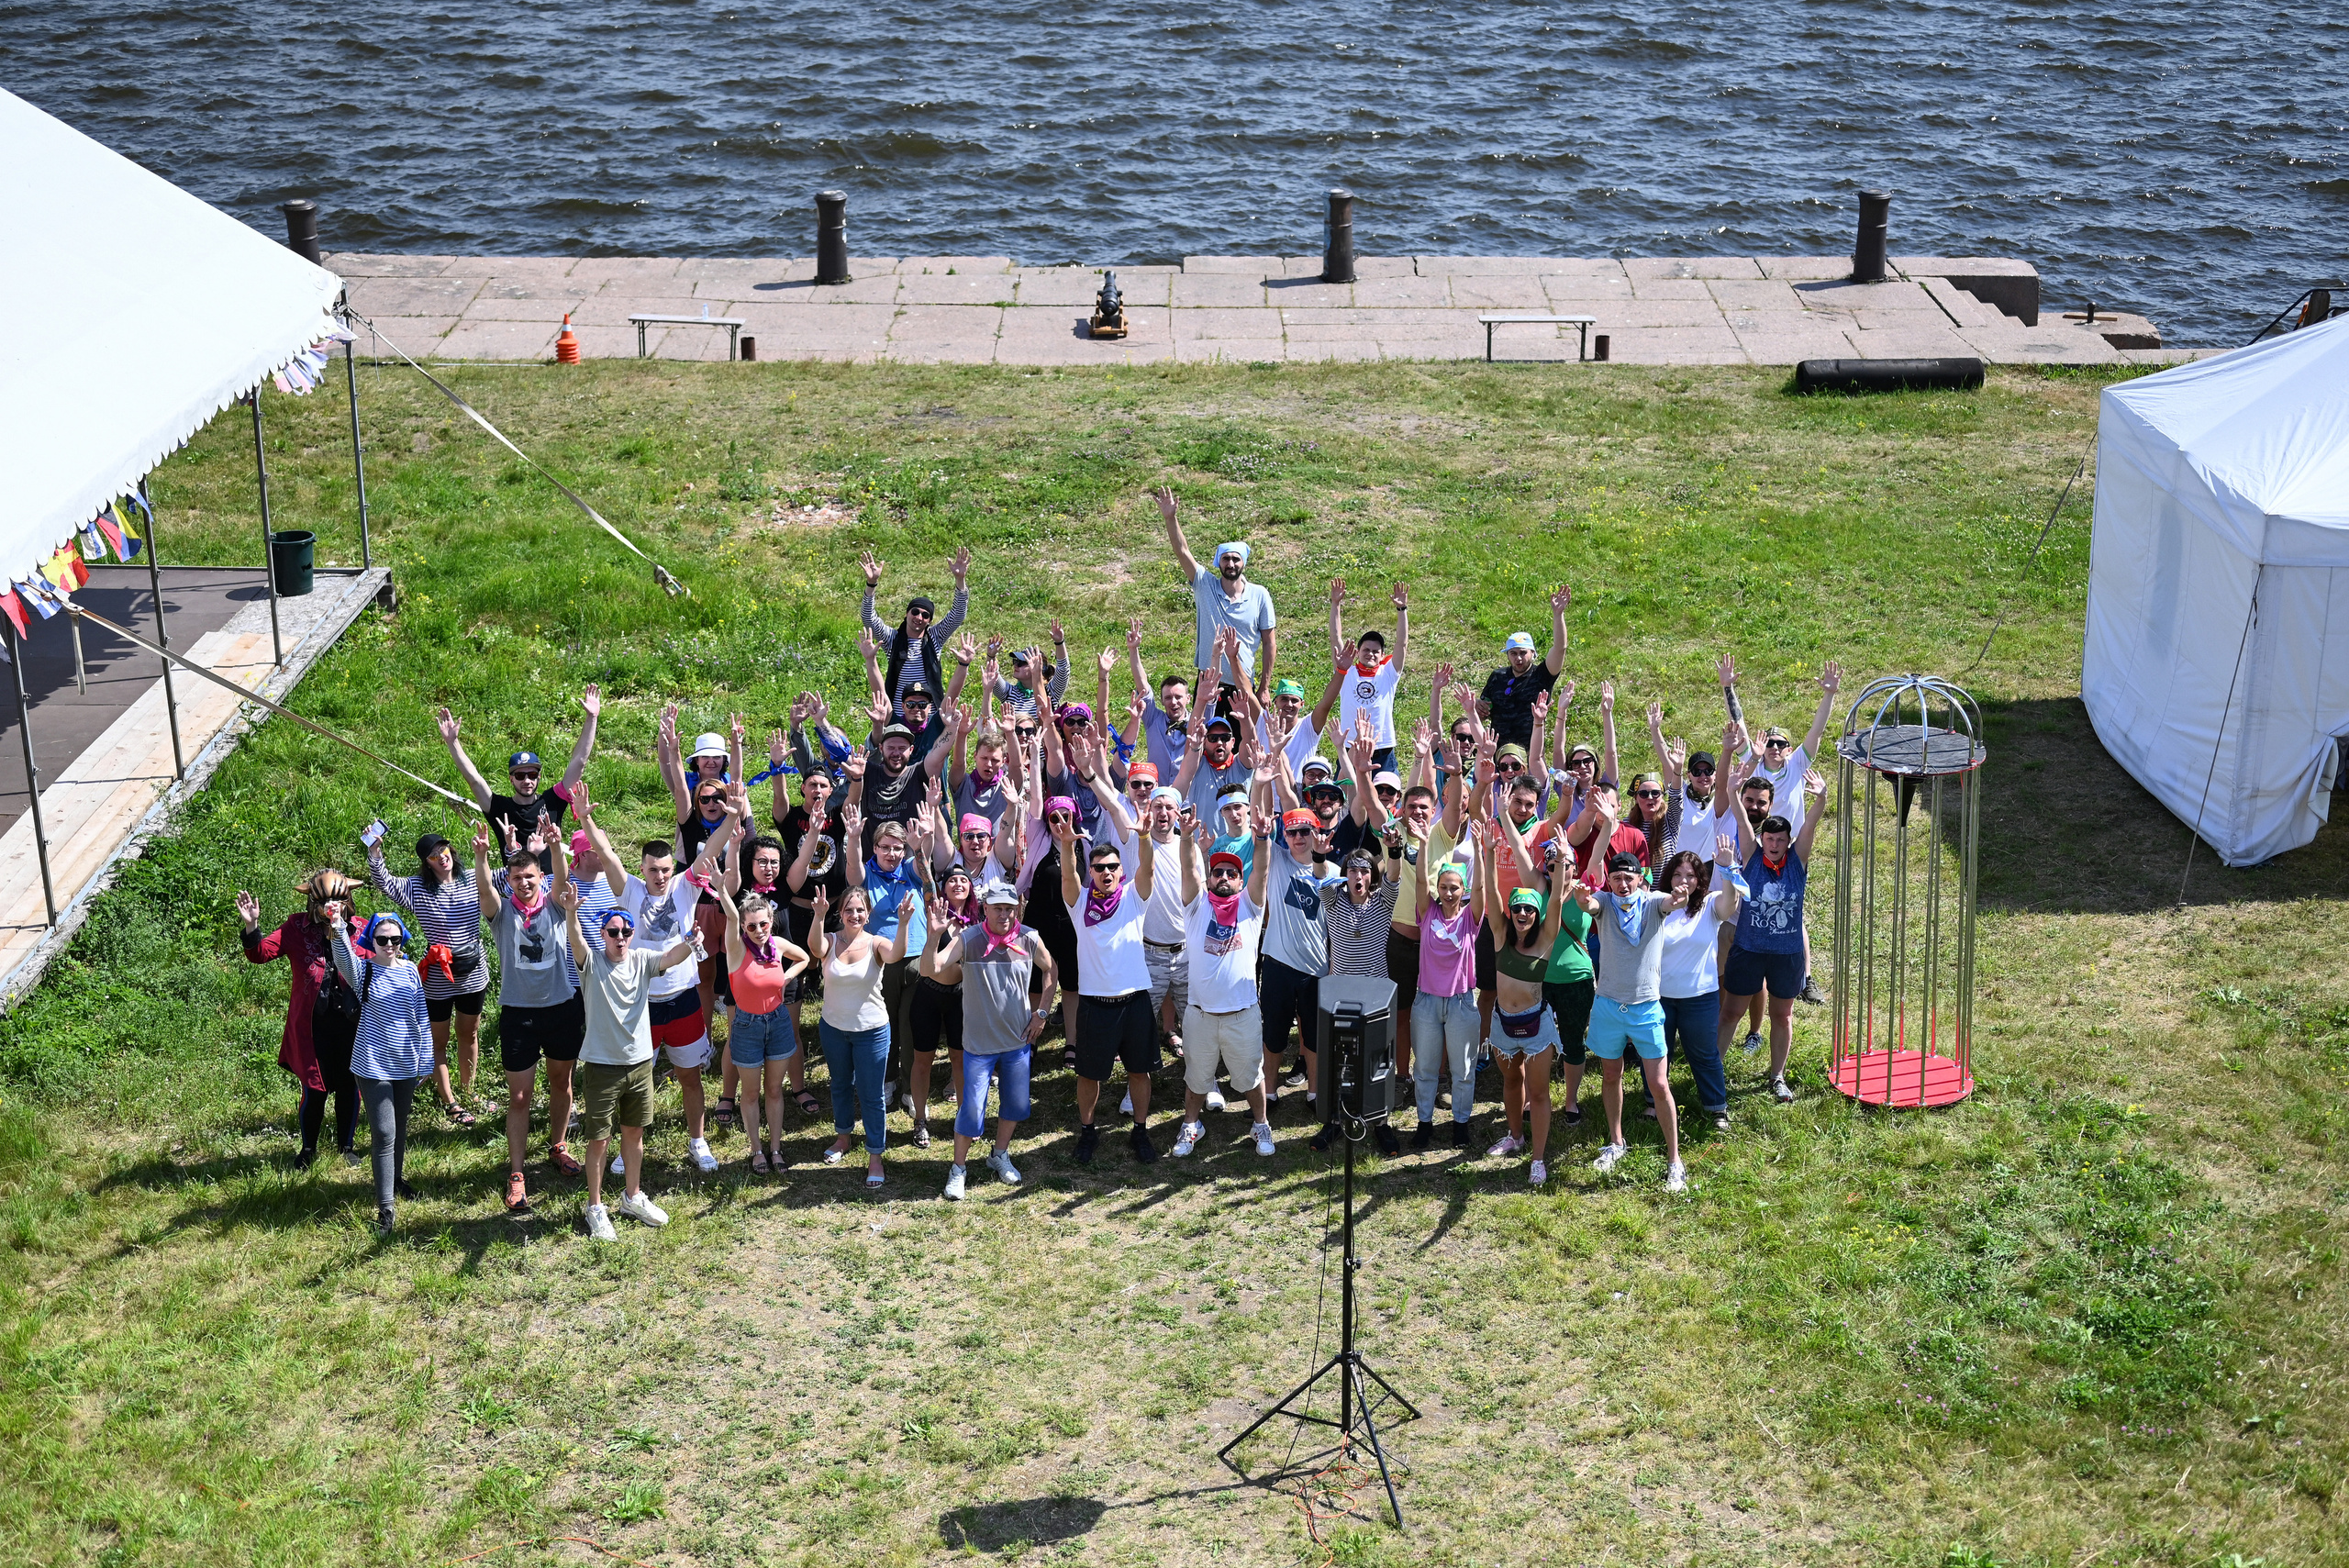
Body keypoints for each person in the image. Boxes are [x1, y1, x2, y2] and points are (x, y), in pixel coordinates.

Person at [559, 881, 696, 1240]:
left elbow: (670, 958)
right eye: (613, 932)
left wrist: (691, 941)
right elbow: (575, 940)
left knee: (634, 1134)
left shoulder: (641, 959)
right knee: (599, 1140)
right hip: (602, 1066)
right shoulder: (591, 963)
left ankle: (632, 1197)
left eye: (626, 931)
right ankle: (595, 1207)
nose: (620, 937)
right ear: (603, 934)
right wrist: (572, 911)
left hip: (639, 1065)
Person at [473, 820, 583, 1213]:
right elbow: (485, 888)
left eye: (530, 876)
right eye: (517, 876)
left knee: (561, 1083)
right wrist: (483, 856)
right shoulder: (501, 912)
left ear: (541, 877)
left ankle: (557, 1145)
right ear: (511, 880)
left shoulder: (555, 904)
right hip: (518, 1013)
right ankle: (517, 1173)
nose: (524, 883)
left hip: (561, 1008)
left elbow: (563, 878)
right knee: (519, 1097)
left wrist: (555, 847)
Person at [926, 880, 1056, 1199]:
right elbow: (932, 968)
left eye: (1010, 909)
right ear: (984, 908)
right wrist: (933, 936)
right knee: (971, 1111)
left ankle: (999, 1154)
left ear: (1018, 909)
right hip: (978, 1046)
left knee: (1015, 1105)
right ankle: (958, 1169)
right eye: (997, 908)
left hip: (1017, 1042)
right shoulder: (969, 939)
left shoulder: (1029, 938)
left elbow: (1051, 970)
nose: (1004, 914)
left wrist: (1041, 1013)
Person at [619, 811, 732, 1176]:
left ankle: (698, 1142)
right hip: (642, 1003)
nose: (661, 876)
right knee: (636, 1081)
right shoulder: (630, 890)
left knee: (690, 1077)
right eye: (653, 870)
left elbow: (712, 848)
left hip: (683, 998)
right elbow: (605, 854)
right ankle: (628, 1147)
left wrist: (730, 818)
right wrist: (586, 821)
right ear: (642, 869)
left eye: (666, 869)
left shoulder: (686, 885)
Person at [1723, 656, 1841, 1006]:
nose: (1774, 748)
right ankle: (1742, 967)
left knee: (1792, 913)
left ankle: (1804, 978)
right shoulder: (1754, 758)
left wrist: (1829, 695)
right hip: (1754, 849)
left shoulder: (1798, 765)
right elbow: (1738, 723)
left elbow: (1817, 730)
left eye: (1781, 744)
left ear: (1790, 750)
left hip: (1788, 852)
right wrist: (1727, 686)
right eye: (1771, 742)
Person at [1716, 756, 1829, 1106]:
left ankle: (1776, 1075)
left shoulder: (1798, 860)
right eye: (1770, 839)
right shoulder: (1750, 854)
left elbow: (1810, 823)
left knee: (1783, 1015)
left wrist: (1821, 798)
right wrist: (1734, 790)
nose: (1775, 844)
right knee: (1732, 1011)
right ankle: (1713, 1069)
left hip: (1787, 955)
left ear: (1788, 840)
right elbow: (1738, 816)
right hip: (1748, 949)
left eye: (1781, 839)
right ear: (1762, 838)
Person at [1571, 851, 1686, 1191]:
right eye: (1617, 878)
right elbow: (1589, 906)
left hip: (1646, 1008)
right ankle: (1616, 1142)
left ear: (1640, 879)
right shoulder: (1604, 901)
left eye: (1629, 878)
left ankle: (1674, 1160)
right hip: (1608, 1005)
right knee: (1610, 1074)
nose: (1623, 884)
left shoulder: (1651, 903)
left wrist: (1679, 897)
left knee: (1660, 1084)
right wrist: (1581, 898)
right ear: (1610, 880)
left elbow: (1670, 903)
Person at [237, 873, 363, 1169]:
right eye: (324, 901)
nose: (331, 906)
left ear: (347, 901)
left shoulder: (359, 929)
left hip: (351, 1026)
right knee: (314, 1088)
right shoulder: (296, 927)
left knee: (349, 1086)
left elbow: (380, 961)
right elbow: (259, 953)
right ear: (312, 901)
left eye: (338, 900)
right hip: (312, 1028)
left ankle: (346, 1147)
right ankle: (308, 1150)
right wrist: (251, 925)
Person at [1169, 814, 1278, 1159]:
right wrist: (1186, 838)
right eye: (1218, 872)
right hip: (1200, 1015)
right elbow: (1189, 871)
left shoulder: (1250, 906)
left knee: (1251, 1077)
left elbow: (1261, 872)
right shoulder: (1196, 906)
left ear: (1239, 880)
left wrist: (1261, 840)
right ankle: (1191, 1124)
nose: (1225, 878)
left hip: (1242, 1014)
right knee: (1196, 1079)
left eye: (1232, 874)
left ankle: (1260, 1123)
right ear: (1210, 877)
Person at [1055, 808, 1161, 1165]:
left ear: (1121, 871)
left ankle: (1141, 1131)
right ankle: (1088, 1132)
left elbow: (1147, 869)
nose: (1105, 873)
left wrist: (1144, 838)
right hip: (1094, 1004)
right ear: (1092, 872)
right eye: (1098, 868)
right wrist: (1067, 845)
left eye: (1112, 867)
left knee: (1139, 1070)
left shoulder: (1134, 896)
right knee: (1089, 1075)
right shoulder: (1080, 902)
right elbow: (1068, 876)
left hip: (1134, 1001)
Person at [365, 831, 486, 1127]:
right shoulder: (417, 888)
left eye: (443, 849)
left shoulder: (472, 878)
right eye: (433, 855)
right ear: (426, 862)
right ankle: (451, 1101)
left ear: (451, 849)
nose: (441, 856)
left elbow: (511, 877)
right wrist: (375, 853)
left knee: (469, 1033)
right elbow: (385, 882)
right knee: (438, 1041)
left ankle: (469, 1092)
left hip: (473, 972)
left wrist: (513, 846)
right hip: (437, 979)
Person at [326, 911, 435, 1236]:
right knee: (384, 1133)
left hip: (406, 1062)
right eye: (382, 939)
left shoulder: (412, 970)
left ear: (402, 940)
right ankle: (385, 1209)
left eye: (395, 939)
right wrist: (336, 926)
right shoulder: (365, 972)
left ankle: (397, 1179)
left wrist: (427, 1059)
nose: (389, 945)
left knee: (399, 1127)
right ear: (371, 941)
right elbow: (343, 958)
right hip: (372, 1064)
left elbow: (421, 1014)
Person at [1482, 811, 1572, 1185]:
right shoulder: (1500, 936)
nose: (1522, 913)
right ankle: (1515, 1137)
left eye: (1528, 910)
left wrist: (1562, 863)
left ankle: (1537, 1158)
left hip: (1536, 1026)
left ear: (1536, 916)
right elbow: (1491, 896)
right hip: (1503, 1023)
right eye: (1517, 908)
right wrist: (1487, 853)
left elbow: (1556, 904)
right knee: (1510, 1083)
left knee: (1538, 1091)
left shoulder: (1546, 940)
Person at [810, 880, 918, 1187]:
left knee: (871, 1096)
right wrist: (819, 916)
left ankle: (875, 1155)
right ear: (840, 913)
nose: (854, 914)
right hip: (833, 1029)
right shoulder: (830, 941)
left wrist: (904, 923)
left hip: (871, 1032)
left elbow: (897, 954)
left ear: (868, 914)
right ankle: (843, 1138)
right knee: (840, 1086)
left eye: (860, 910)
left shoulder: (876, 943)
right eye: (849, 910)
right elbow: (815, 948)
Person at [438, 684, 600, 870]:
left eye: (532, 775)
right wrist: (453, 742)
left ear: (539, 777)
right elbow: (474, 779)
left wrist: (592, 717)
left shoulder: (552, 800)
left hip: (554, 885)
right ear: (511, 779)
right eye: (520, 775)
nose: (527, 781)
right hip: (518, 886)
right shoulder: (498, 807)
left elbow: (579, 762)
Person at [718, 883, 809, 1173]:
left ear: (771, 922)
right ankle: (757, 1150)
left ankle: (776, 1148)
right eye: (752, 926)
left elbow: (804, 958)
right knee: (750, 1093)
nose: (759, 930)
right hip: (746, 1025)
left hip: (778, 1021)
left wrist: (785, 978)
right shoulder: (736, 949)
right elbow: (731, 918)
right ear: (744, 928)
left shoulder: (778, 945)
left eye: (763, 924)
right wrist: (722, 888)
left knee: (774, 1090)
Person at [1158, 484, 1277, 695]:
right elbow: (1182, 552)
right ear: (1218, 562)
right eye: (1226, 559)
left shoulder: (1260, 595)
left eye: (1235, 559)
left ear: (1244, 563)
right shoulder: (1205, 585)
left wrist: (1265, 687)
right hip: (1208, 683)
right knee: (1200, 730)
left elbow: (1269, 643)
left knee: (1245, 730)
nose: (1230, 564)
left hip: (1244, 683)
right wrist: (1170, 519)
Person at [1656, 844, 1742, 1134]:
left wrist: (1728, 868)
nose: (1684, 880)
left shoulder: (1709, 905)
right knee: (1657, 1053)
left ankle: (1716, 1107)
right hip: (1659, 998)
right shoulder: (1657, 904)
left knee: (1704, 1055)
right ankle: (1651, 1101)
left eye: (1691, 875)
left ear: (1700, 880)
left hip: (1700, 998)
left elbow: (1731, 902)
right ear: (1668, 877)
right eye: (1678, 874)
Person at [1408, 832, 1484, 1151]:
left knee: (1462, 1070)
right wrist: (1424, 844)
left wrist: (1480, 852)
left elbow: (1481, 889)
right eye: (1444, 887)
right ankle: (1424, 1123)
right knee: (1424, 1069)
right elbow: (1419, 882)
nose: (1449, 893)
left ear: (1463, 890)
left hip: (1461, 1003)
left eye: (1455, 888)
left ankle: (1460, 1124)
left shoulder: (1470, 919)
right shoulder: (1428, 914)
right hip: (1426, 1001)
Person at [906, 837, 981, 1146]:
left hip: (961, 999)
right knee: (921, 1060)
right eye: (952, 880)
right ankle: (920, 1119)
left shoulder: (980, 921)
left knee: (959, 1061)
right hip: (928, 994)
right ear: (945, 888)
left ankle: (964, 1118)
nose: (959, 884)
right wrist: (918, 851)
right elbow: (925, 876)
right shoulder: (935, 910)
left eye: (964, 880)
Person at [861, 545, 971, 717]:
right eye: (915, 612)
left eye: (925, 615)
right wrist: (871, 584)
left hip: (930, 716)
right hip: (897, 716)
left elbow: (957, 615)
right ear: (907, 614)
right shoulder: (892, 639)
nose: (919, 617)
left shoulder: (935, 637)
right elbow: (869, 619)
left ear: (929, 621)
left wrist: (960, 580)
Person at [1477, 587, 1573, 750]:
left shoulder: (1542, 675)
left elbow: (1559, 648)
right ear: (1507, 655)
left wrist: (1558, 615)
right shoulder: (1497, 677)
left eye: (1523, 653)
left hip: (1529, 754)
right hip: (1498, 752)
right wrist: (1478, 708)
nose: (1518, 658)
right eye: (1513, 653)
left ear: (1533, 653)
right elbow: (1484, 712)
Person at [1329, 578, 1408, 770]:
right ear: (1357, 652)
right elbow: (1335, 638)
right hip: (1351, 745)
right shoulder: (1346, 670)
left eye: (1375, 651)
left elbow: (1402, 643)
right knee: (1346, 798)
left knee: (1386, 798)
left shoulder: (1388, 672)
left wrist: (1402, 610)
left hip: (1383, 748)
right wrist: (1336, 604)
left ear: (1382, 655)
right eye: (1366, 649)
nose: (1370, 653)